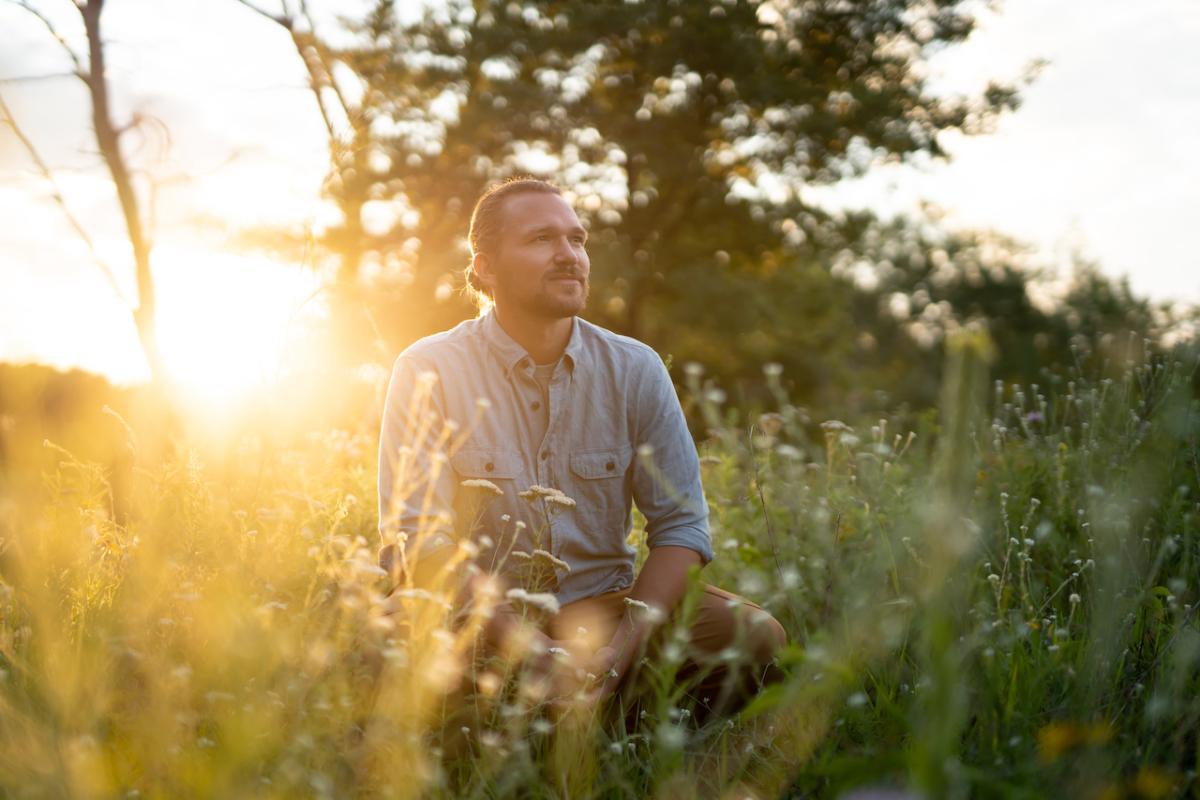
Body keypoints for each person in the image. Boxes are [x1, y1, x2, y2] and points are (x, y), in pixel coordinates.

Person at [377, 178, 787, 727]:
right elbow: (419, 538)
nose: (569, 256)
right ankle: (517, 728)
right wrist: (527, 647)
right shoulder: (428, 368)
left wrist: (622, 647)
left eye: (577, 239)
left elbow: (681, 528)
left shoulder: (635, 367)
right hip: (475, 618)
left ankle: (611, 725)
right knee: (373, 645)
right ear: (485, 268)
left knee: (754, 634)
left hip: (604, 611)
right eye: (542, 239)